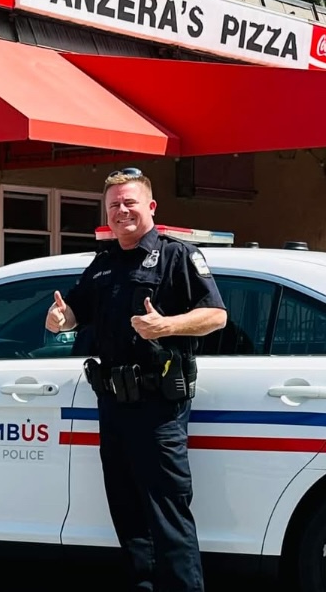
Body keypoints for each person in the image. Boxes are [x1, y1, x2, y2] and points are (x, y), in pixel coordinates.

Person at [46, 167, 227, 592]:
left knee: (168, 514)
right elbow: (74, 311)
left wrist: (167, 327)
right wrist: (59, 319)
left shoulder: (177, 256)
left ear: (150, 206)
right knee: (126, 514)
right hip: (112, 404)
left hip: (158, 407)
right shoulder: (104, 262)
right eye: (114, 205)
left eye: (129, 202)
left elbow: (216, 315)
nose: (122, 211)